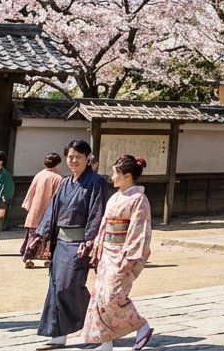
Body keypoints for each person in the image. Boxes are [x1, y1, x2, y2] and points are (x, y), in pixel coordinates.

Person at [36, 139, 109, 349]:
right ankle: (58, 335)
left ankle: (100, 326)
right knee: (56, 287)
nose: (73, 160)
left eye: (78, 156)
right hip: (61, 242)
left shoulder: (96, 182)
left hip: (79, 243)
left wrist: (89, 241)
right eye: (70, 156)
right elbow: (52, 211)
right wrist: (41, 234)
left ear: (88, 158)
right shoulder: (64, 183)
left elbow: (97, 213)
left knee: (70, 286)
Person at [81, 155, 155, 351]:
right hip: (107, 253)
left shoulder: (139, 199)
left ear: (128, 176)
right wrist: (98, 247)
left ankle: (141, 326)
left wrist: (130, 256)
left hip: (122, 254)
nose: (112, 177)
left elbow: (139, 230)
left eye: (116, 173)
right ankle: (105, 341)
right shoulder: (115, 197)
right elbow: (104, 225)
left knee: (114, 296)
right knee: (99, 297)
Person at [21, 154, 64, 268]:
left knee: (32, 236)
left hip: (35, 211)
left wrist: (29, 207)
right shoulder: (58, 178)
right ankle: (49, 259)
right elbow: (58, 198)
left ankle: (28, 257)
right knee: (48, 238)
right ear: (58, 164)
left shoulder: (39, 175)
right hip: (48, 213)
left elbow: (31, 192)